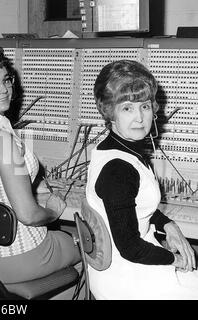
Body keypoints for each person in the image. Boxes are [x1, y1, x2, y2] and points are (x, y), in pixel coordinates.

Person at [0, 40, 80, 285]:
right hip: (16, 256)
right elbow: (29, 215)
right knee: (92, 245)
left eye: (6, 79)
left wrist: (34, 186)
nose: (4, 89)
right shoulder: (1, 140)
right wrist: (53, 211)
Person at [86, 59, 198, 299]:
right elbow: (131, 247)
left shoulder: (116, 150)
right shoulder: (118, 169)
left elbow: (133, 206)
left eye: (145, 106)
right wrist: (174, 259)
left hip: (126, 268)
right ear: (109, 111)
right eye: (127, 108)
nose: (139, 118)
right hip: (127, 278)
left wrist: (167, 223)